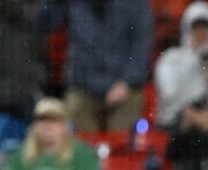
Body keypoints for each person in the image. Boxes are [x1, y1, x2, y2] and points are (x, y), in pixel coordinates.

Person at [35, 0, 154, 132]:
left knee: (122, 141)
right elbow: (42, 24)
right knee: (76, 144)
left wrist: (127, 82)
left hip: (124, 87)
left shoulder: (135, 4)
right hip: (82, 85)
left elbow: (141, 46)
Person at [154, 2, 208, 129]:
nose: (201, 34)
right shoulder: (171, 58)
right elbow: (170, 94)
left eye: (205, 29)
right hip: (174, 123)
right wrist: (195, 56)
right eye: (196, 29)